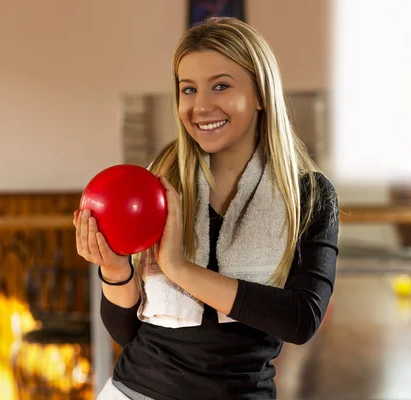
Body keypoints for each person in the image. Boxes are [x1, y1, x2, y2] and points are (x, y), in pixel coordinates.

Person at [74, 17, 339, 400]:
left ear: (260, 94)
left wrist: (180, 269)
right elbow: (126, 332)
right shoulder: (158, 182)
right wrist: (115, 271)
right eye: (188, 89)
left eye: (220, 86)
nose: (200, 106)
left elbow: (300, 319)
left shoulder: (309, 195)